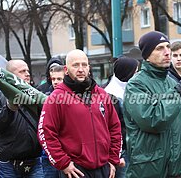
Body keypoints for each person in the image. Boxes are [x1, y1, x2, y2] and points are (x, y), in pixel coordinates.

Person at [123, 31, 181, 178]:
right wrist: (178, 92)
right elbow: (152, 121)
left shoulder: (172, 82)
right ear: (147, 56)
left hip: (178, 169)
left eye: (168, 47)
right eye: (159, 48)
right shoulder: (136, 85)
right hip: (149, 170)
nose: (167, 52)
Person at [38, 49, 121, 178]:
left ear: (89, 68)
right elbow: (45, 132)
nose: (81, 69)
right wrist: (63, 163)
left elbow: (115, 127)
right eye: (75, 65)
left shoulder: (102, 94)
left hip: (104, 168)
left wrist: (112, 159)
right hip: (76, 170)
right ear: (66, 70)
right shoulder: (56, 97)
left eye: (84, 65)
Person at [0, 60, 44, 178]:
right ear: (10, 76)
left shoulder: (37, 95)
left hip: (35, 160)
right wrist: (9, 108)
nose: (27, 74)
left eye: (27, 70)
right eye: (22, 71)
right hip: (8, 163)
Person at [104, 56, 138, 178]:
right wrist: (117, 155)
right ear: (127, 73)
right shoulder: (111, 95)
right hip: (122, 151)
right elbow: (113, 127)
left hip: (131, 147)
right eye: (135, 72)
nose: (137, 75)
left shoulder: (129, 90)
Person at [41, 65, 65, 178]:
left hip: (68, 153)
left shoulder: (75, 98)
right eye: (53, 79)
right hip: (50, 154)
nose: (55, 82)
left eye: (59, 79)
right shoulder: (45, 98)